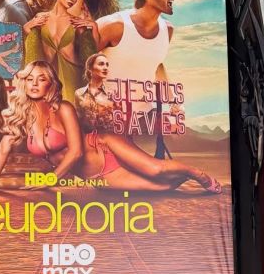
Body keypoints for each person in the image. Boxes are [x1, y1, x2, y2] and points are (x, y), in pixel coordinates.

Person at [74, 53, 222, 193]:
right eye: (101, 64)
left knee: (155, 170)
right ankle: (179, 178)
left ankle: (196, 173)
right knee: (158, 187)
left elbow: (121, 119)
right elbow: (81, 119)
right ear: (90, 68)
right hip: (94, 145)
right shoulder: (79, 93)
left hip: (114, 139)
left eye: (107, 64)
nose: (105, 67)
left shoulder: (113, 93)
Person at [0, 60, 82, 190]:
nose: (34, 84)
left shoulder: (63, 109)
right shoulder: (24, 114)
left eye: (41, 79)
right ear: (24, 83)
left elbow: (76, 152)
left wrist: (48, 180)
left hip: (98, 168)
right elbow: (3, 149)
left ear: (51, 84)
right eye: (30, 79)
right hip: (68, 176)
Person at [98, 0, 176, 105]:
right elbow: (79, 62)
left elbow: (156, 65)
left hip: (144, 115)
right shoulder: (113, 26)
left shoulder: (167, 30)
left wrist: (173, 102)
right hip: (108, 114)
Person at [23, 0, 99, 103]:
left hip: (72, 76)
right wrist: (27, 26)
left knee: (70, 111)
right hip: (47, 77)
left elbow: (93, 54)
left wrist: (94, 27)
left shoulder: (75, 22)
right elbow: (28, 40)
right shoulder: (41, 18)